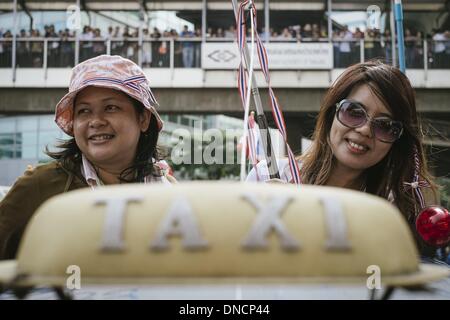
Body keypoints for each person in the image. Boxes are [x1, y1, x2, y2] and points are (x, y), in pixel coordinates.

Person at [246, 60, 439, 256]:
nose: (364, 130)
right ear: (332, 113)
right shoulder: (265, 178)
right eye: (354, 112)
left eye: (385, 126)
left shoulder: (392, 212)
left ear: (397, 140)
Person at [0, 55, 175, 260]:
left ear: (143, 119)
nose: (96, 121)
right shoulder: (39, 186)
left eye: (111, 107)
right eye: (84, 111)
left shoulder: (167, 188)